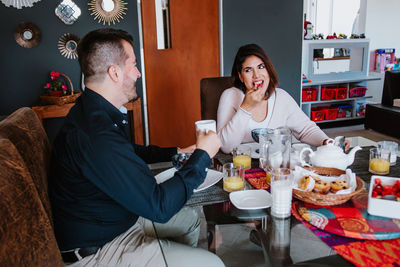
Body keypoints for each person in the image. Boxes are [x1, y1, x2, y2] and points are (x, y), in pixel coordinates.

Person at [49, 28, 224, 267]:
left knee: (191, 220)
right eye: (133, 65)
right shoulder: (96, 135)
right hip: (98, 249)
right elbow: (159, 207)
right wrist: (203, 156)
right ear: (115, 73)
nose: (139, 73)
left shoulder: (95, 111)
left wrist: (177, 152)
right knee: (213, 264)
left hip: (116, 218)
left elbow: (128, 152)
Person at [217, 43, 332, 154]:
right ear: (241, 77)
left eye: (261, 67)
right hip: (242, 167)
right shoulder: (230, 96)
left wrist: (327, 142)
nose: (256, 75)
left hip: (274, 165)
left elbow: (306, 130)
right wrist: (245, 108)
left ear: (268, 70)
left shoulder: (281, 97)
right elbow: (225, 146)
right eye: (248, 70)